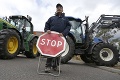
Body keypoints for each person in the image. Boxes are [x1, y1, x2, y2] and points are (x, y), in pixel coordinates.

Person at [44, 3, 71, 72]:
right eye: (57, 7)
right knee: (50, 52)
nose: (59, 8)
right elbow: (47, 25)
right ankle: (48, 66)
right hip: (52, 39)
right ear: (56, 9)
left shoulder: (65, 19)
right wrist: (47, 30)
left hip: (60, 39)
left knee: (58, 53)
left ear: (62, 9)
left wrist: (63, 33)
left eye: (60, 7)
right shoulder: (52, 18)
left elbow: (68, 27)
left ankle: (55, 66)